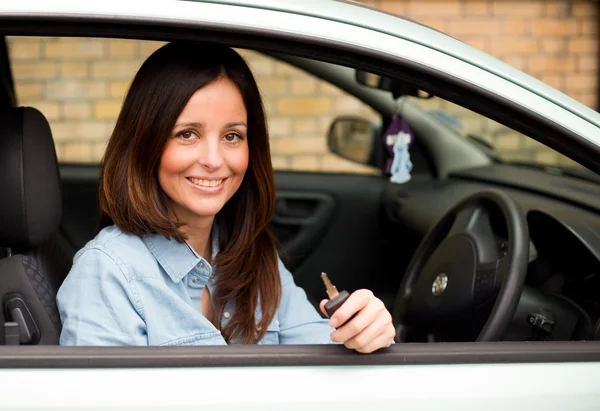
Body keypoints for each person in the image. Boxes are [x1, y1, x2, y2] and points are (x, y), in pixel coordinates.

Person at [56, 42, 395, 352]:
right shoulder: (107, 271)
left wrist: (365, 334)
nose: (214, 160)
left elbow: (321, 359)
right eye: (187, 134)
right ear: (146, 144)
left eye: (232, 136)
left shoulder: (255, 257)